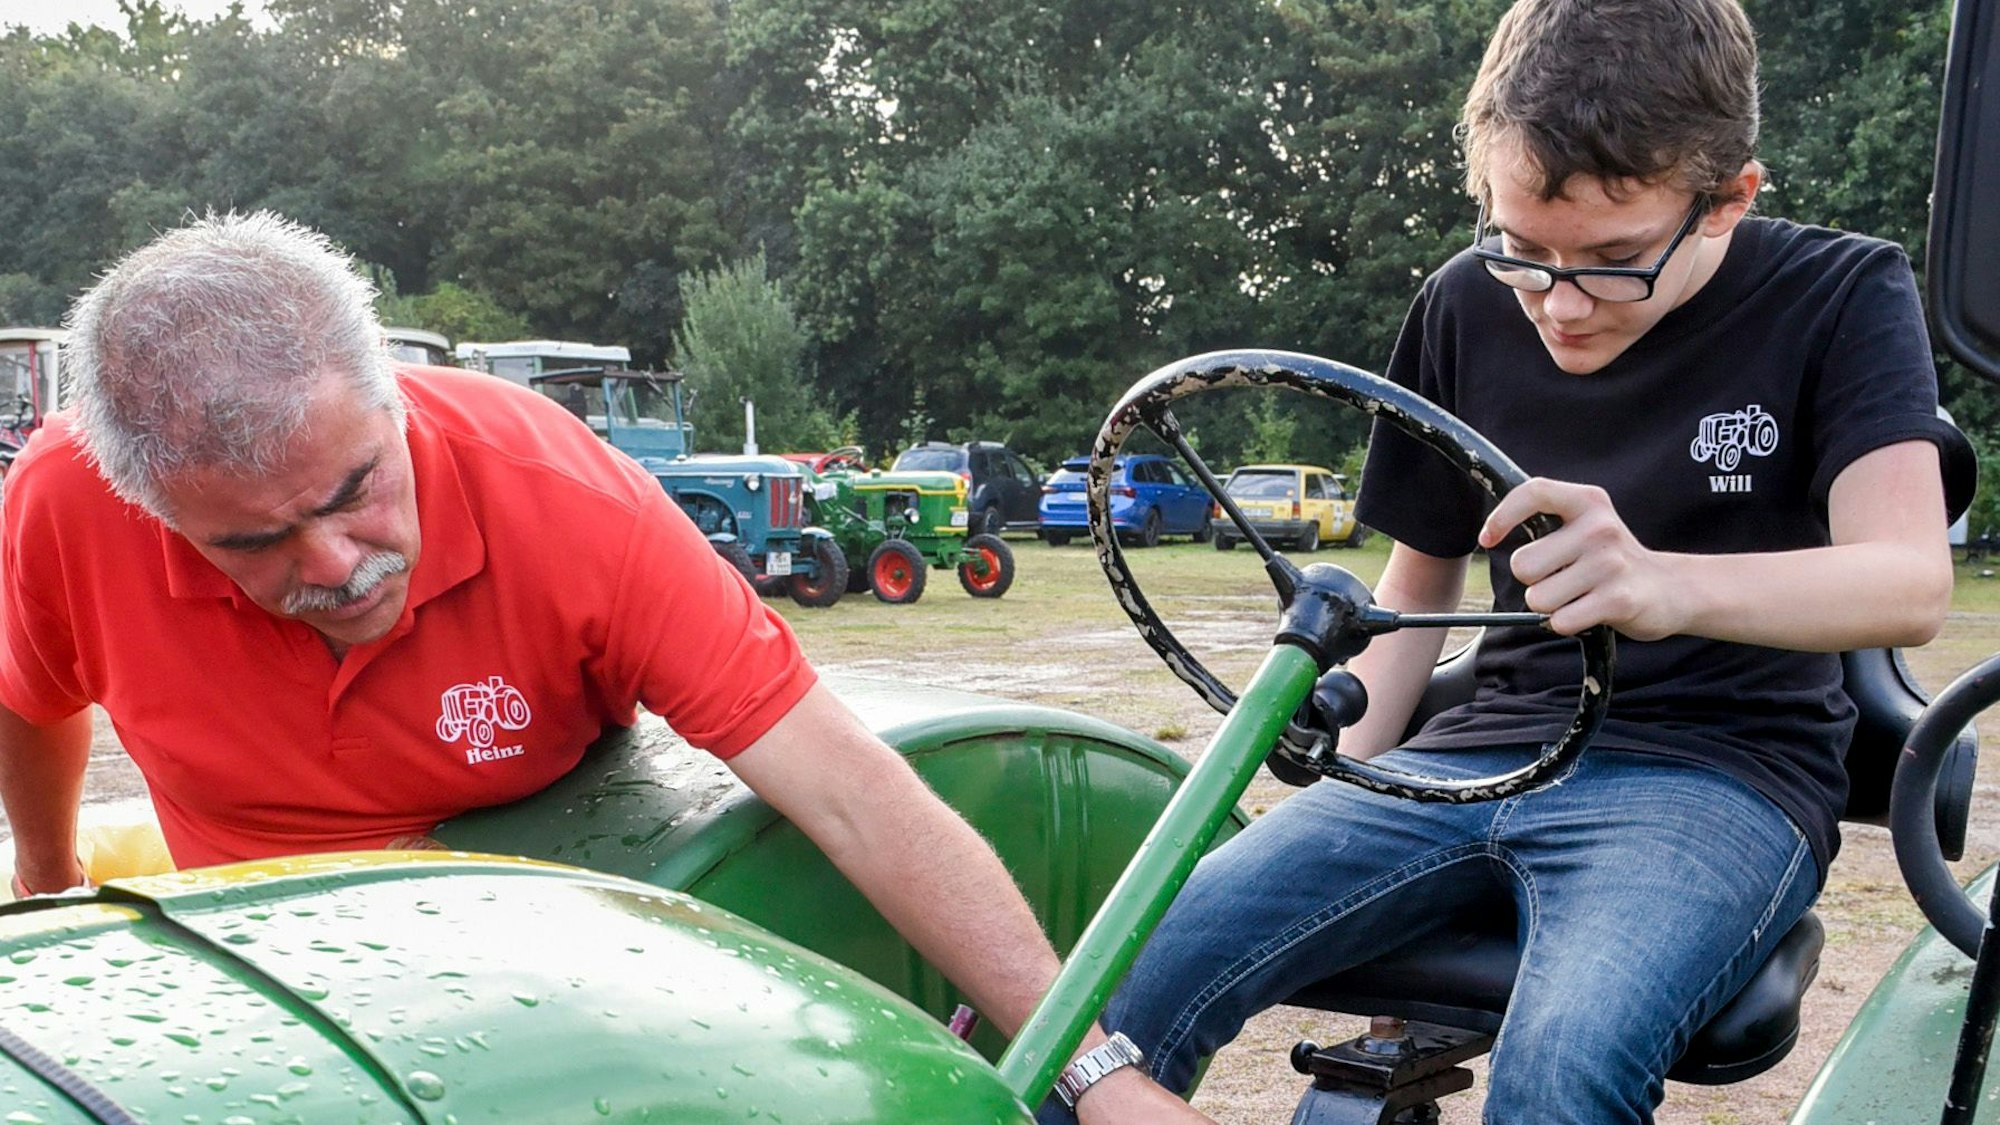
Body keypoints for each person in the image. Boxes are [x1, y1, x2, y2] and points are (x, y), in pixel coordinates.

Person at [0, 211, 1208, 1124]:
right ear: (149, 506)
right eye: (252, 543)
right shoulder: (60, 504)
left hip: (554, 974)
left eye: (355, 491)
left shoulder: (569, 501)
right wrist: (47, 875)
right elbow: (28, 694)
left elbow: (846, 786)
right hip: (274, 975)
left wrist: (1092, 1068)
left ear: (395, 403)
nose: (335, 565)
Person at [1046, 0, 1977, 1122]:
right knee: (1107, 991)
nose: (1556, 302)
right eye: (1518, 249)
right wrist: (1336, 769)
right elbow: (1413, 594)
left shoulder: (1836, 295)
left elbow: (1907, 581)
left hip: (1716, 779)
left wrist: (1661, 582)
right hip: (1470, 758)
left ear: (1727, 198)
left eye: (1613, 260)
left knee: (1563, 1061)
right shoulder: (1458, 305)